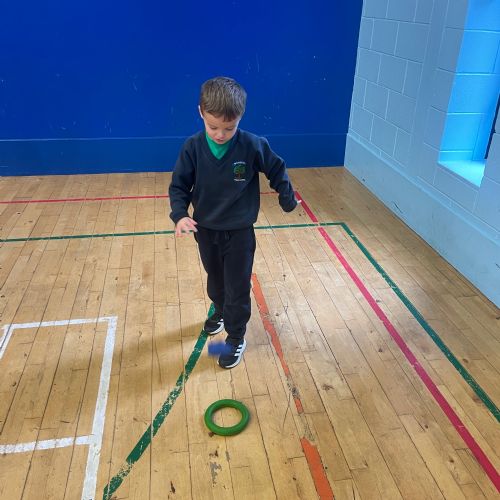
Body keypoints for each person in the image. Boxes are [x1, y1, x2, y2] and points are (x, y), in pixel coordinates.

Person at [169, 76, 299, 369]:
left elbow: (276, 168)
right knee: (216, 281)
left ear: (240, 117)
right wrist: (180, 214)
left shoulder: (252, 145)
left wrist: (286, 196)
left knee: (237, 287)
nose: (220, 134)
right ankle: (220, 309)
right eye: (213, 127)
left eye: (229, 128)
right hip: (206, 232)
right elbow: (178, 186)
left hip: (240, 233)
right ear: (201, 112)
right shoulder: (192, 148)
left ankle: (235, 337)